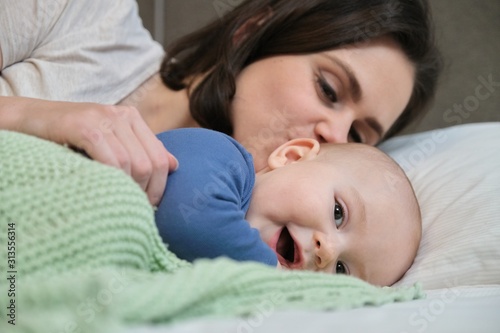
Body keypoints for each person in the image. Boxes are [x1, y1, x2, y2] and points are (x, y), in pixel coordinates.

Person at [0, 0, 442, 205]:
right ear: (251, 31)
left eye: (359, 135)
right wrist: (33, 116)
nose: (334, 135)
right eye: (329, 89)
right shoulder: (82, 15)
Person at [155, 128, 421, 287]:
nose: (328, 251)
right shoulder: (223, 157)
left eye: (341, 270)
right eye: (338, 214)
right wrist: (270, 275)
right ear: (292, 156)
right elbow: (185, 221)